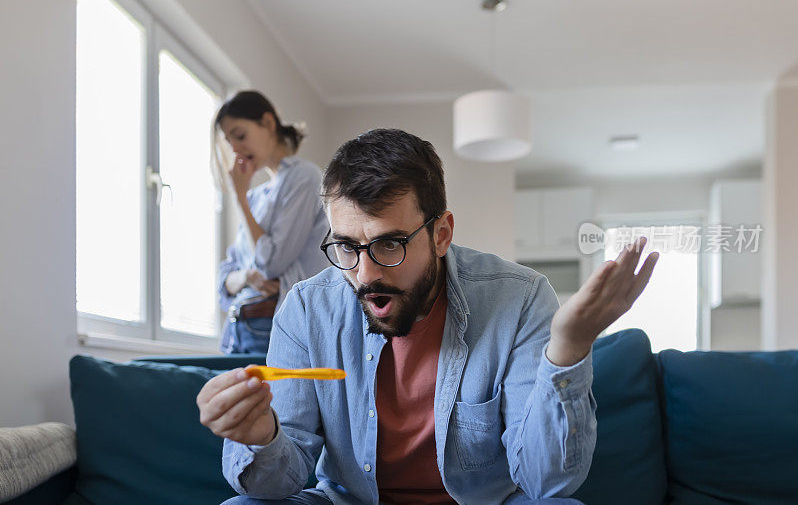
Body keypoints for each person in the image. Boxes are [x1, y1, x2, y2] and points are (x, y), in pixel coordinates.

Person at [197, 129, 659, 503]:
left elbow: (548, 484)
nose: (365, 274)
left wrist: (568, 349)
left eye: (389, 243)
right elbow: (281, 481)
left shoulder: (520, 299)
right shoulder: (305, 309)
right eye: (346, 247)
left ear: (441, 234)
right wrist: (262, 436)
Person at [213, 91, 329, 354]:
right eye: (230, 143)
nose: (236, 149)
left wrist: (239, 198)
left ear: (267, 122)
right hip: (237, 329)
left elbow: (272, 263)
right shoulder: (257, 196)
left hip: (270, 325)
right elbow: (224, 281)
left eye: (240, 136)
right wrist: (246, 276)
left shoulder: (303, 177)